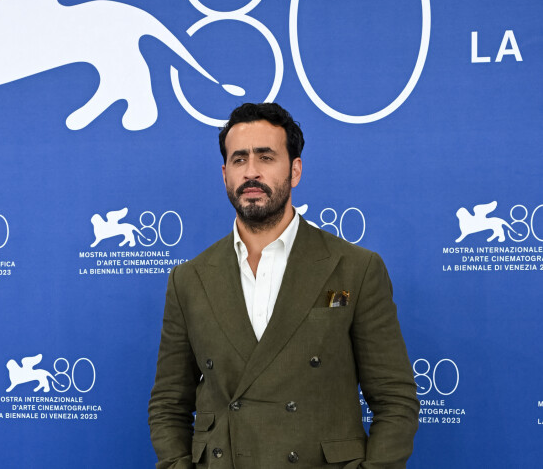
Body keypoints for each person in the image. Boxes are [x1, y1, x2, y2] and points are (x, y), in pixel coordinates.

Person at [148, 103, 419, 468]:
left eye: (266, 157)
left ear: (294, 170)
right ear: (225, 174)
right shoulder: (189, 279)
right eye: (239, 160)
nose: (252, 172)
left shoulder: (355, 268)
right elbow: (168, 402)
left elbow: (395, 399)